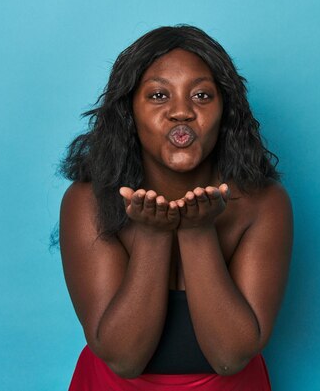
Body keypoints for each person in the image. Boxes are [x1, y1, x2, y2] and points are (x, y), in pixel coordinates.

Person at [58, 25, 293, 391]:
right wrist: (154, 236)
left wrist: (197, 231)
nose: (181, 111)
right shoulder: (87, 200)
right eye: (157, 96)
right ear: (129, 112)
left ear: (226, 111)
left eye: (201, 95)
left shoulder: (263, 203)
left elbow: (230, 357)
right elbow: (123, 358)